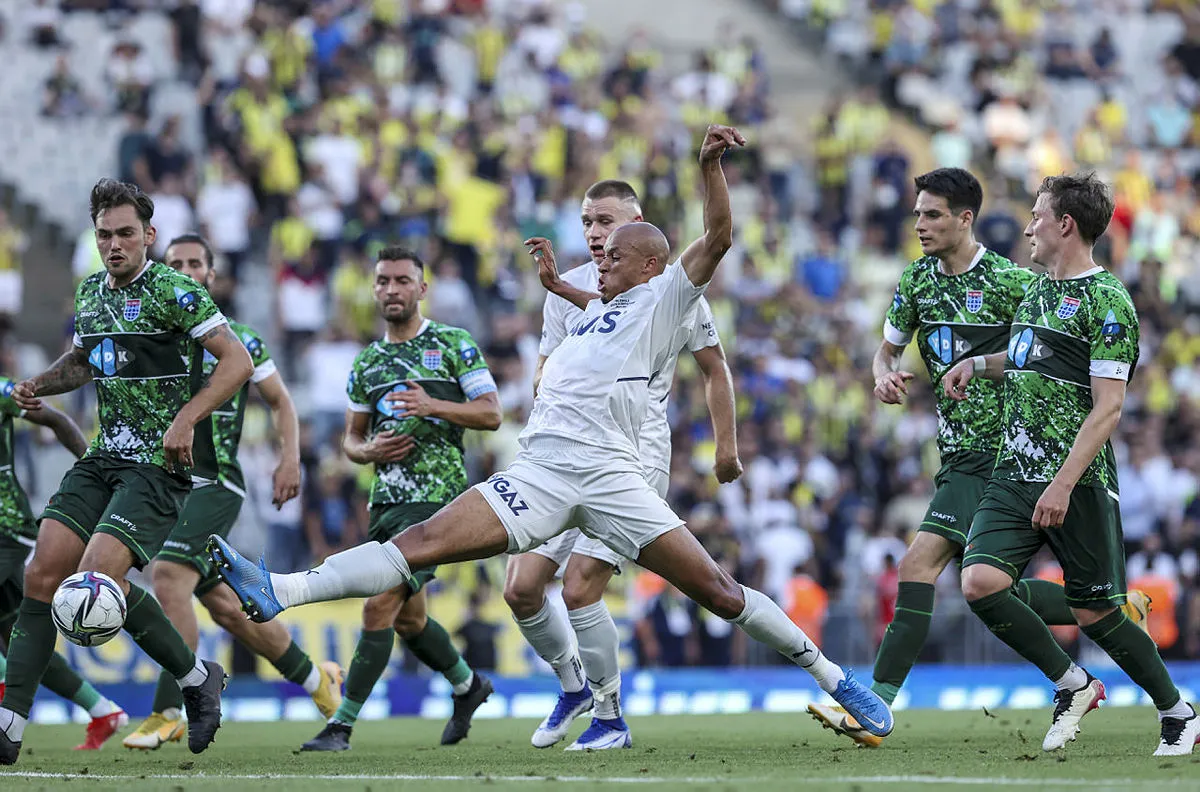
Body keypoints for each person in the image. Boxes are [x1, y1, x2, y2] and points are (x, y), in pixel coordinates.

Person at [212, 125, 896, 744]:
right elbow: (592, 306)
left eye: (616, 249)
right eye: (596, 244)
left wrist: (708, 167)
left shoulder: (667, 302)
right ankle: (283, 589)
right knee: (419, 548)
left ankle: (836, 679)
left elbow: (716, 238)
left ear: (652, 265)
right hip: (541, 470)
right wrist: (560, 288)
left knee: (716, 590)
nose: (600, 257)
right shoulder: (589, 309)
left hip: (612, 476)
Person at [808, 168, 1151, 748]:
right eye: (917, 214)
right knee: (993, 587)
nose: (920, 224)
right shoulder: (916, 282)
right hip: (955, 452)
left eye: (933, 214)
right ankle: (1116, 608)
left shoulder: (1013, 282)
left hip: (1001, 453)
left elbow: (1065, 345)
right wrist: (883, 376)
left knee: (919, 566)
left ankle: (875, 706)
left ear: (965, 218)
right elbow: (884, 351)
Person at [943, 172, 1198, 757]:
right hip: (1015, 469)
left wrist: (1061, 483)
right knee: (980, 582)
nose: (1027, 225)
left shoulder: (1109, 302)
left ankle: (1177, 711)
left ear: (1065, 225)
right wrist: (978, 366)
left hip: (1076, 480)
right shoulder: (1037, 289)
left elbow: (1108, 409)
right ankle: (1072, 682)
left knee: (1096, 614)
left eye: (1037, 215)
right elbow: (1030, 353)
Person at [0, 179, 254, 764]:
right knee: (42, 576)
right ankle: (10, 723)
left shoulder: (176, 291)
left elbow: (236, 360)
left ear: (149, 236)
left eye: (125, 234)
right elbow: (84, 363)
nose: (114, 244)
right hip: (102, 458)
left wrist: (186, 420)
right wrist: (39, 384)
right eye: (104, 235)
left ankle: (193, 678)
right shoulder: (91, 292)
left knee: (94, 584)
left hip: (157, 466)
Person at [503, 179, 741, 751]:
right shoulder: (568, 290)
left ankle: (610, 717)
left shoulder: (668, 288)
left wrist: (725, 445)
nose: (592, 233)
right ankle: (574, 686)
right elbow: (547, 367)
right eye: (587, 221)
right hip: (563, 451)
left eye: (605, 221)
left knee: (581, 588)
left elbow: (713, 367)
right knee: (521, 589)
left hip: (631, 453)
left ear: (637, 225)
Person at [124, 235, 343, 749]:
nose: (183, 269)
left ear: (211, 276)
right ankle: (320, 682)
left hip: (215, 482)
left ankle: (171, 707)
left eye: (194, 263)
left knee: (171, 575)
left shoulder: (239, 339)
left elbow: (280, 401)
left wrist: (290, 458)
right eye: (173, 263)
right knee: (227, 608)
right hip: (166, 487)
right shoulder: (153, 339)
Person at [300, 246, 501, 752]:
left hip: (439, 504)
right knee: (409, 619)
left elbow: (491, 413)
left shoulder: (453, 344)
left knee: (379, 606)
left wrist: (433, 404)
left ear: (422, 288)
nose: (392, 289)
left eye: (402, 281)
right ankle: (467, 685)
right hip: (387, 503)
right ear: (374, 289)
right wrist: (368, 451)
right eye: (384, 281)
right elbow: (350, 439)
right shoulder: (367, 363)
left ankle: (341, 725)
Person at [0, 374, 128, 751]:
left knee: (17, 643)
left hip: (5, 527)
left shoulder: (4, 392)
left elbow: (55, 419)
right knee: (18, 640)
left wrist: (99, 474)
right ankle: (103, 710)